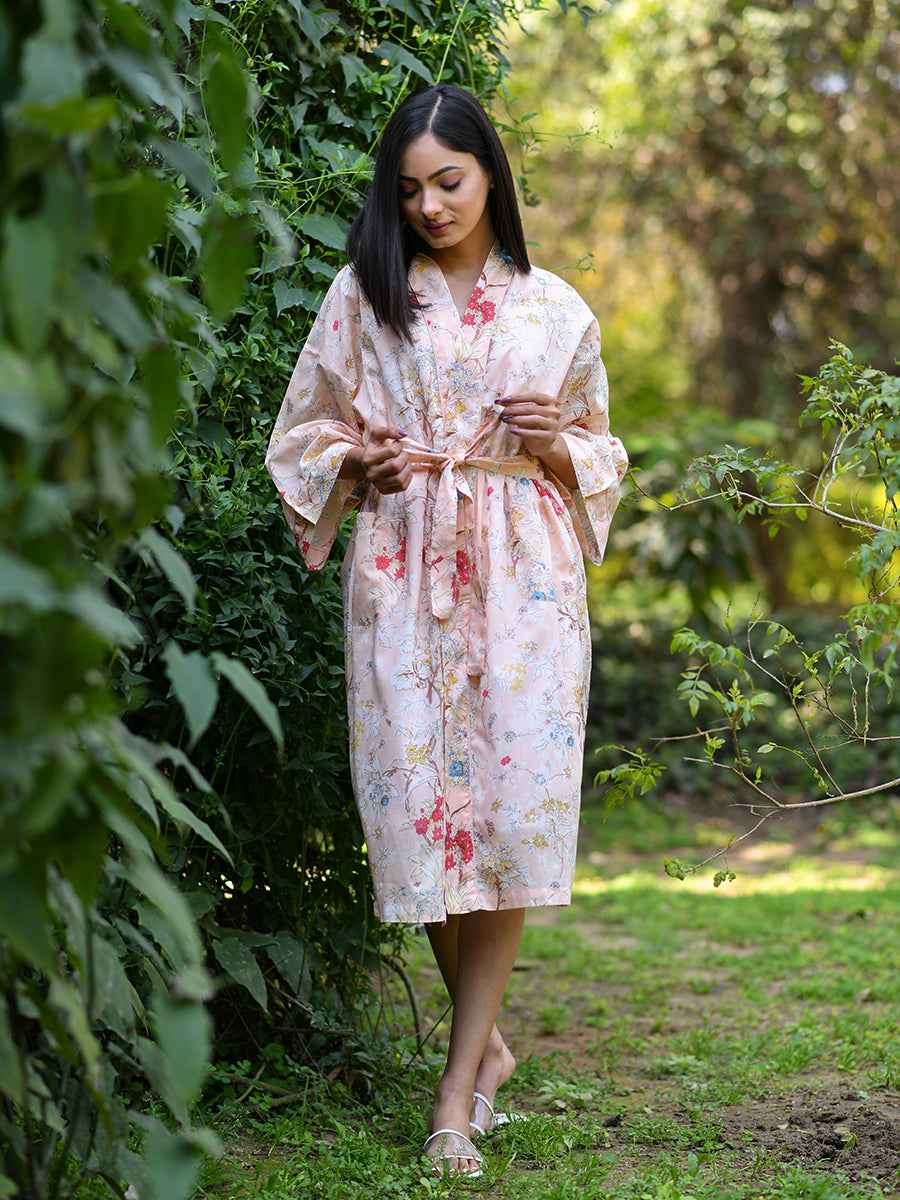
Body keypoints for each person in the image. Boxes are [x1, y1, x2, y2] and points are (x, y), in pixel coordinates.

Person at [265, 81, 629, 1179]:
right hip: (403, 566)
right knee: (418, 816)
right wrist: (359, 463)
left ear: (491, 177)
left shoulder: (556, 309)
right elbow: (303, 435)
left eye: (450, 182)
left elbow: (603, 454)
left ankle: (456, 1093)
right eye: (410, 189)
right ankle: (488, 1051)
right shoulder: (364, 296)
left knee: (503, 820)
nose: (429, 206)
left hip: (524, 584)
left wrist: (555, 442)